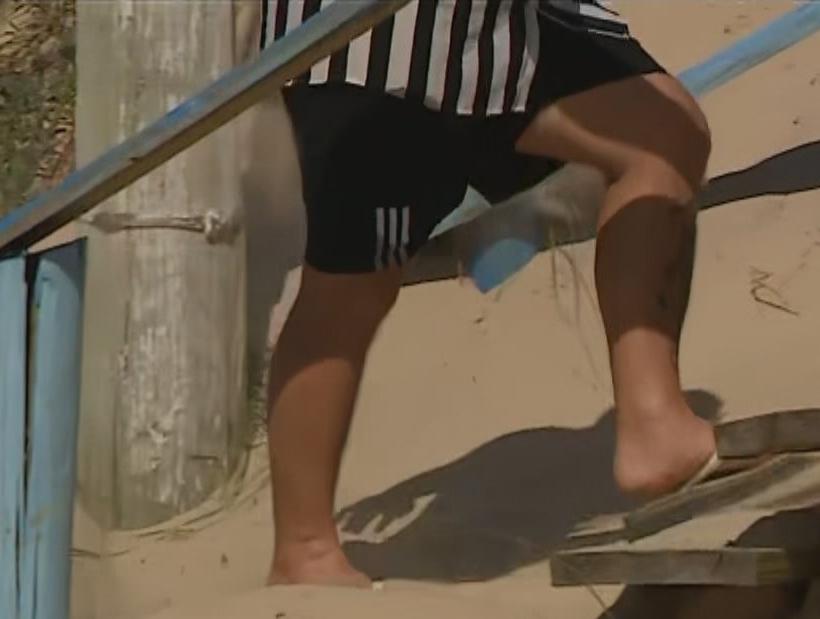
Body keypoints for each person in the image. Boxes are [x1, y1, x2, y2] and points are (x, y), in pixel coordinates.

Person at [259, 0, 719, 587]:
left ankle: (655, 423)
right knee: (350, 284)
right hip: (378, 43)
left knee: (663, 134)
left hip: (494, 29)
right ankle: (304, 552)